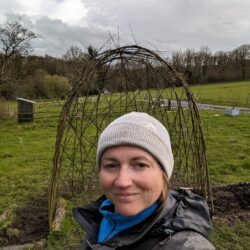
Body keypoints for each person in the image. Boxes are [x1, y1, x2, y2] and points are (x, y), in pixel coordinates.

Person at [73, 112, 215, 250]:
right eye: (111, 165)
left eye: (140, 165)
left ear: (163, 174)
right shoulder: (102, 215)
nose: (122, 182)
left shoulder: (186, 245)